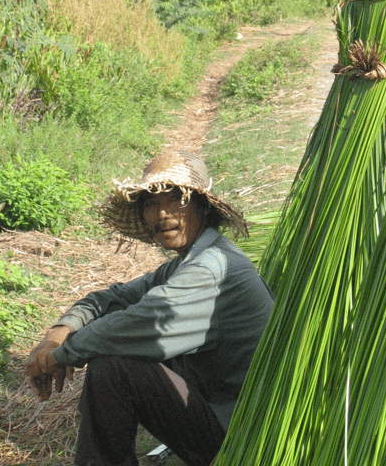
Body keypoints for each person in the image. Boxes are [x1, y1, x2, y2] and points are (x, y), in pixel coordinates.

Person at [24, 150, 274, 466]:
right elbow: (109, 299)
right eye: (151, 204)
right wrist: (58, 334)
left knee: (112, 367)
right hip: (214, 410)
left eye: (176, 200)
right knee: (112, 358)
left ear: (202, 206)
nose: (162, 214)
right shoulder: (187, 262)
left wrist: (58, 357)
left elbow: (134, 324)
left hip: (241, 437)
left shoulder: (210, 268)